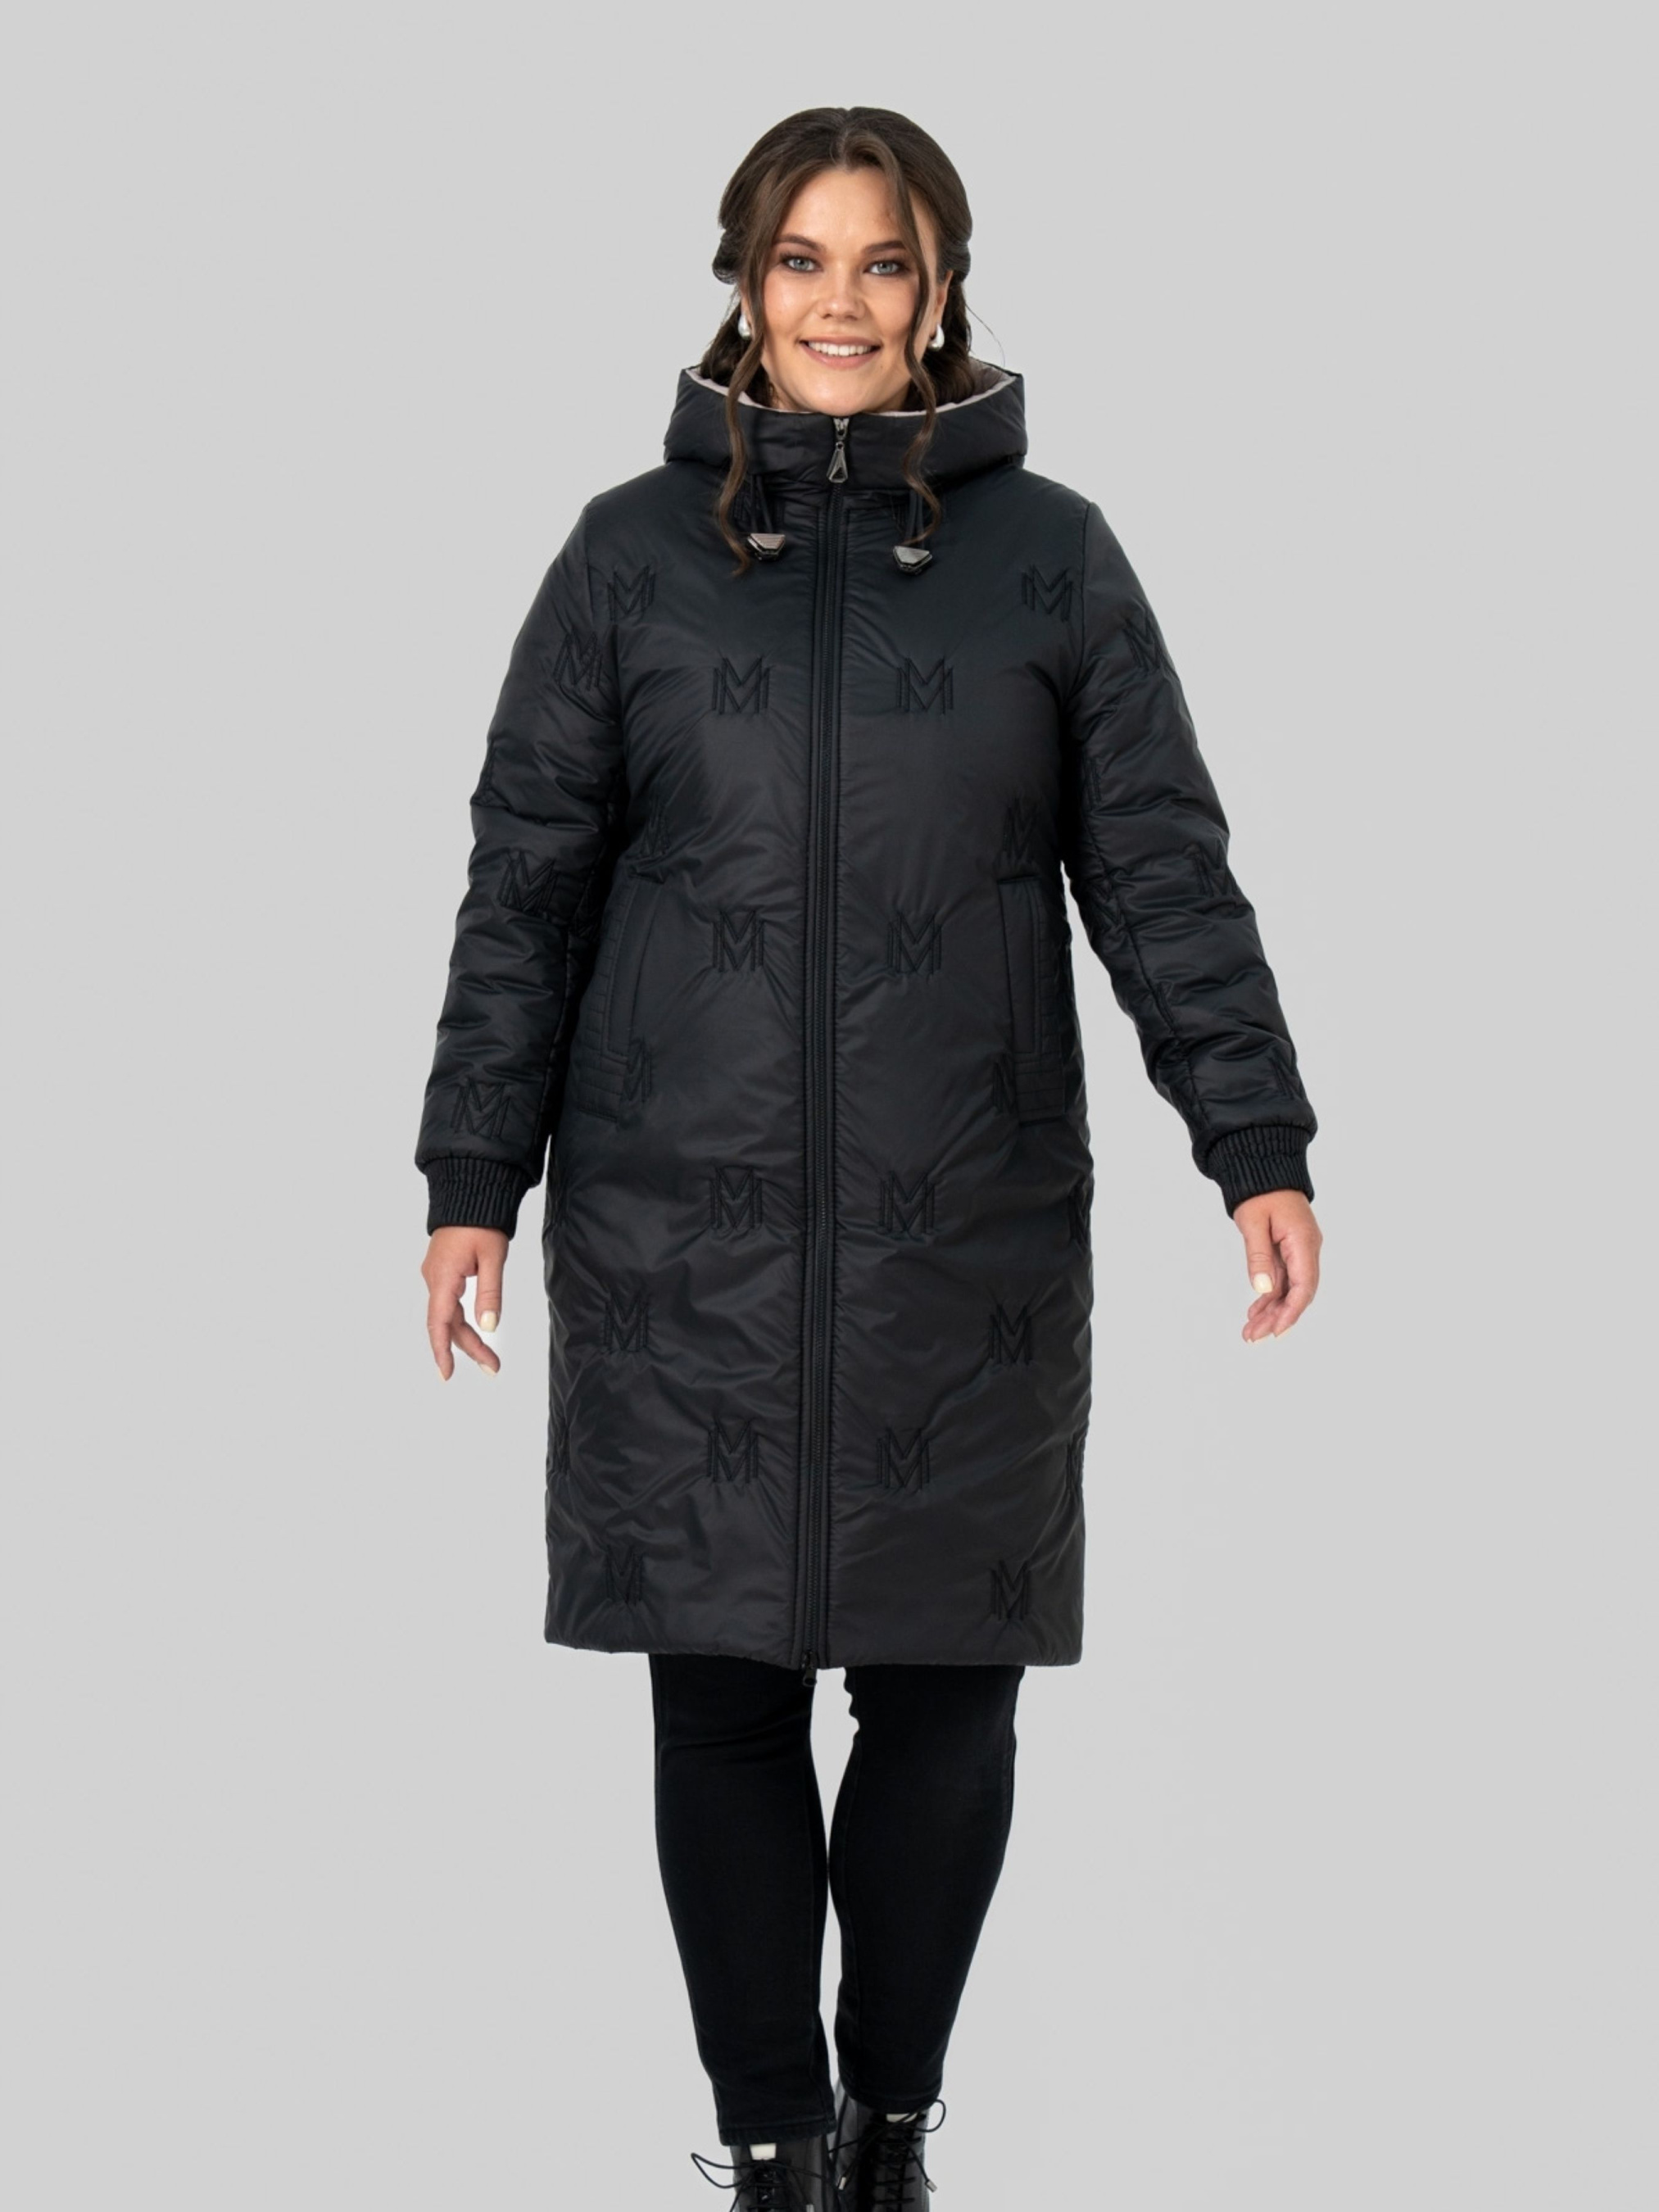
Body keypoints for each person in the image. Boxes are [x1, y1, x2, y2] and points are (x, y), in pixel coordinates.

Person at [414, 104, 1321, 2212]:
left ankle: (888, 2135)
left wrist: (1252, 1136)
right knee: (718, 1703)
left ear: (941, 291)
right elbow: (525, 885)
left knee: (946, 1708)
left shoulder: (1053, 558)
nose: (841, 301)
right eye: (803, 259)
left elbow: (1159, 875)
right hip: (678, 1223)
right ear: (744, 283)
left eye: (884, 261)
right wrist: (472, 1176)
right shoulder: (625, 558)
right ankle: (774, 2148)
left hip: (962, 1222)